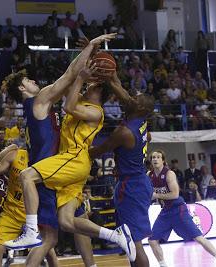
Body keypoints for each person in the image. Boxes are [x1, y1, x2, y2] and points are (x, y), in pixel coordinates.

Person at [6, 39, 136, 263]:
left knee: (49, 235)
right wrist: (90, 51)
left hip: (67, 163)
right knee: (66, 224)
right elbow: (71, 78)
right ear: (21, 88)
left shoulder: (92, 111)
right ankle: (114, 236)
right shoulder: (40, 100)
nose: (33, 80)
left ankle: (30, 231)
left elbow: (71, 79)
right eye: (28, 79)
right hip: (58, 166)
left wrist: (89, 51)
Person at [89, 70, 154, 266]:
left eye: (136, 96)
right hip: (137, 183)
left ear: (139, 106)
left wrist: (74, 150)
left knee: (134, 242)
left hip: (131, 186)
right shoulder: (140, 118)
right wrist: (106, 65)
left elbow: (98, 151)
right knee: (130, 241)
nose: (131, 95)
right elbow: (120, 88)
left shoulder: (124, 132)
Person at [148, 150, 216, 267]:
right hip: (165, 211)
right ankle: (163, 265)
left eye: (158, 157)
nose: (155, 159)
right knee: (152, 240)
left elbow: (175, 194)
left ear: (163, 160)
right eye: (153, 157)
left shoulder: (169, 174)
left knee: (198, 238)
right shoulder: (149, 175)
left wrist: (156, 195)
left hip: (178, 209)